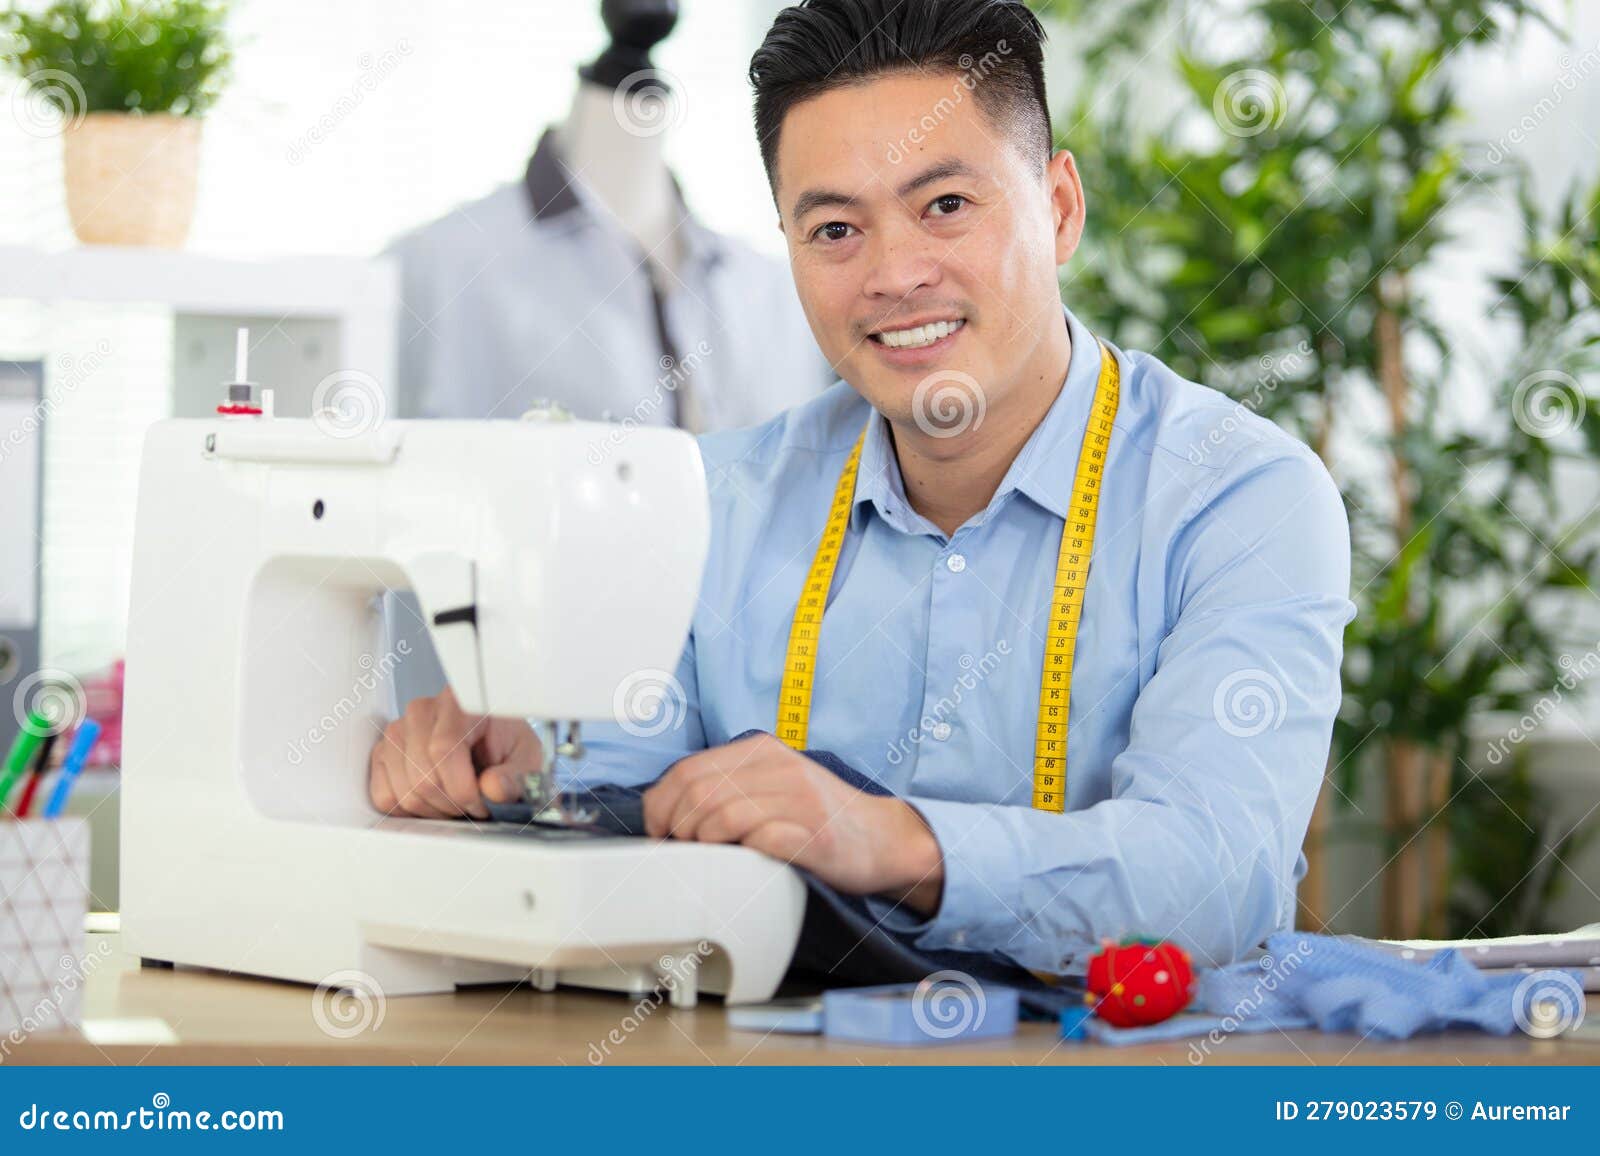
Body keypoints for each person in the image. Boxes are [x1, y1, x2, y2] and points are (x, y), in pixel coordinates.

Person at [368, 0, 1355, 973]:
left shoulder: (1239, 498)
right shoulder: (712, 501)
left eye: (945, 206)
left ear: (1058, 208)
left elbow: (1212, 879)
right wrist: (512, 759)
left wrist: (887, 841)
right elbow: (620, 786)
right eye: (835, 229)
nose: (892, 274)